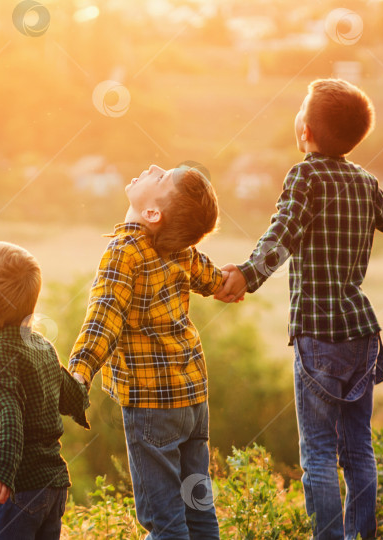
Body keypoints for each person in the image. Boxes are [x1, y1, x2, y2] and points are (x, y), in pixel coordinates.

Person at [215, 78, 383, 540]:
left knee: (316, 451)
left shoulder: (304, 176)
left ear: (305, 131)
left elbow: (283, 233)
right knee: (358, 450)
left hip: (319, 335)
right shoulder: (365, 182)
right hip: (362, 336)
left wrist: (248, 275)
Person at [69, 164, 228, 540]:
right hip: (192, 397)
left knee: (165, 520)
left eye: (161, 177)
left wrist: (79, 370)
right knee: (198, 509)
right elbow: (216, 280)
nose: (153, 168)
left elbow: (104, 316)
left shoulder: (124, 252)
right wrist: (236, 281)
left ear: (152, 213)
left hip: (152, 403)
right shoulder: (183, 250)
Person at [0, 241, 90, 540]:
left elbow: (9, 416)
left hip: (19, 489)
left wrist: (1, 469)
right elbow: (72, 397)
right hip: (53, 485)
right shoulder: (41, 346)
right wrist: (83, 377)